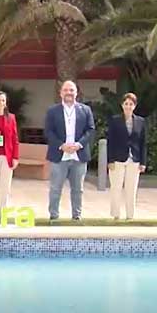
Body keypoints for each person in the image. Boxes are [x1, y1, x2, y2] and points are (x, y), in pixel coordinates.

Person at [44, 80, 96, 221]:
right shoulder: (52, 111)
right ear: (61, 93)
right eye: (66, 90)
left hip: (79, 156)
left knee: (78, 190)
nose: (69, 93)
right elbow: (48, 132)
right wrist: (62, 145)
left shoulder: (85, 110)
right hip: (59, 156)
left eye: (72, 90)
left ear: (76, 93)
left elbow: (90, 130)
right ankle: (54, 216)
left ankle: (76, 216)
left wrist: (79, 145)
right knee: (55, 189)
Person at [106, 93, 147, 220]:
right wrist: (110, 160)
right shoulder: (115, 120)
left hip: (134, 159)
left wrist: (143, 162)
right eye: (126, 104)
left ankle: (130, 215)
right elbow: (110, 141)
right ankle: (116, 215)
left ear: (134, 106)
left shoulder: (141, 121)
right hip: (118, 158)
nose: (128, 106)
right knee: (116, 188)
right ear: (122, 105)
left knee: (131, 189)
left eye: (131, 104)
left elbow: (143, 142)